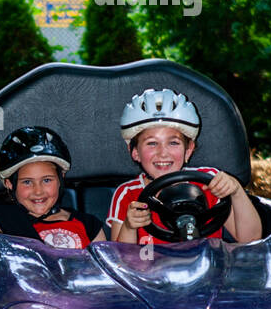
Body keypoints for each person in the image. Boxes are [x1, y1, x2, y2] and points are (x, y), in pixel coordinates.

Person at [108, 88, 262, 245]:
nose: (163, 153)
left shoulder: (210, 182)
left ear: (188, 150)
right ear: (135, 152)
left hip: (207, 267)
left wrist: (236, 191)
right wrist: (129, 226)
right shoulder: (127, 194)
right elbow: (119, 261)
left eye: (173, 143)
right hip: (151, 268)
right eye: (152, 143)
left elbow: (251, 240)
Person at [0, 126, 105, 249]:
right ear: (10, 184)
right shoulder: (4, 221)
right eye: (27, 182)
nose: (38, 191)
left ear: (60, 178)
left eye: (46, 180)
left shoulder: (89, 226)